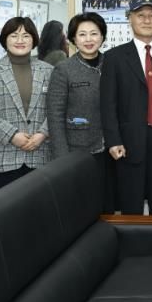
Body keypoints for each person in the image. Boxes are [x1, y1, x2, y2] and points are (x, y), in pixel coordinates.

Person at [100, 0, 152, 215]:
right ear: (130, 19)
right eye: (140, 15)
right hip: (128, 140)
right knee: (131, 202)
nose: (147, 20)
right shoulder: (114, 57)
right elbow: (108, 103)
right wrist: (113, 140)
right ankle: (131, 239)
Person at [46, 12, 116, 212]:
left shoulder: (113, 64)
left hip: (112, 150)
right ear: (73, 39)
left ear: (102, 36)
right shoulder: (64, 69)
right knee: (82, 208)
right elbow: (55, 116)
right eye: (82, 34)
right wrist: (62, 159)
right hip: (78, 152)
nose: (88, 39)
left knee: (108, 206)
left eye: (94, 33)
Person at [0, 17, 53, 190]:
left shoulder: (48, 70)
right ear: (5, 39)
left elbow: (56, 108)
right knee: (5, 206)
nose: (20, 40)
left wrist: (42, 134)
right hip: (4, 155)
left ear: (33, 39)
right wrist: (12, 135)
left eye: (26, 36)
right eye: (14, 35)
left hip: (40, 154)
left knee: (40, 204)